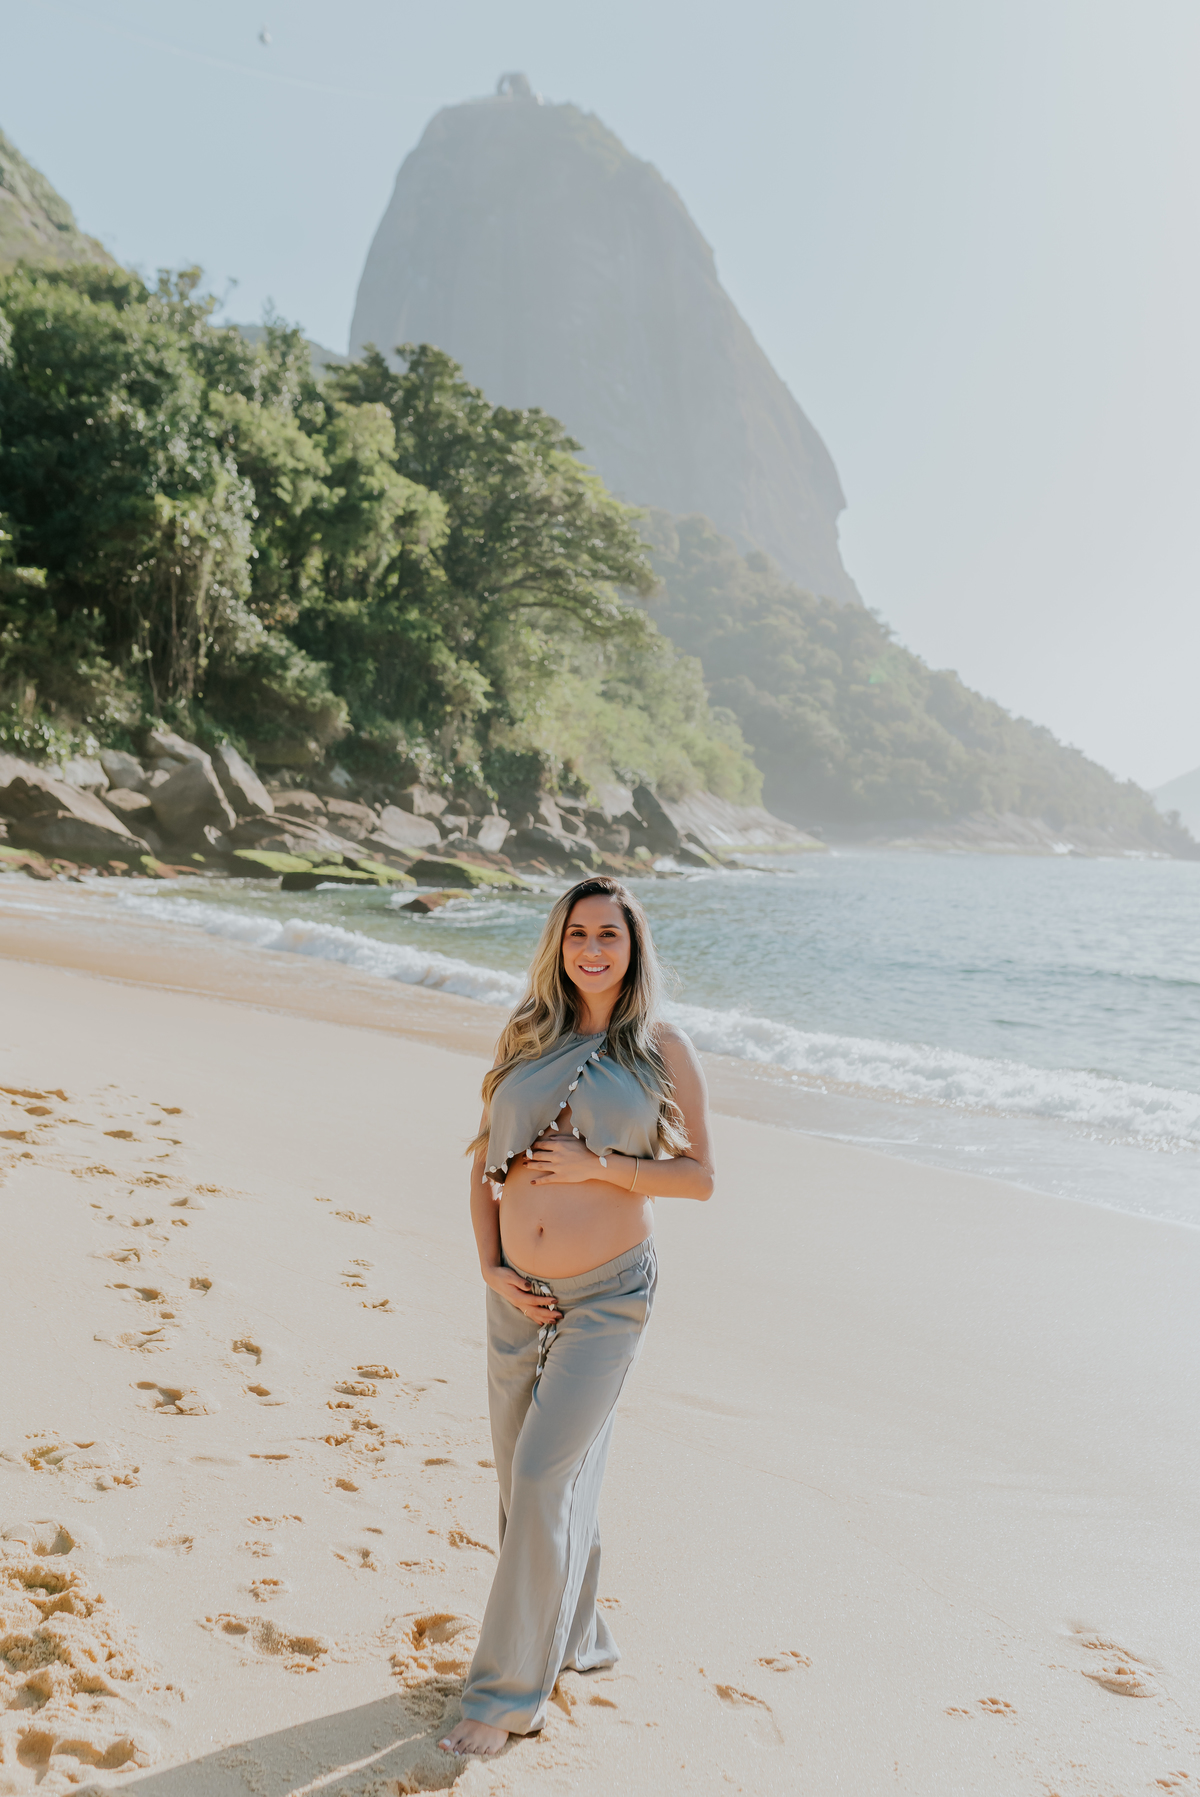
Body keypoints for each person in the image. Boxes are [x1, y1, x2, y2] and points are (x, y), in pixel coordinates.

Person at [438, 876, 714, 1758]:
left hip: (608, 1294)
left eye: (611, 935)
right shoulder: (527, 1034)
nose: (593, 948)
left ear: (635, 950)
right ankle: (578, 1633)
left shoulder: (662, 1048)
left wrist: (602, 1163)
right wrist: (489, 1266)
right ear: (558, 945)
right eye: (578, 934)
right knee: (523, 1481)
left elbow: (700, 1175)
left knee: (543, 1474)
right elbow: (484, 1161)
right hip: (516, 1292)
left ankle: (509, 1691)